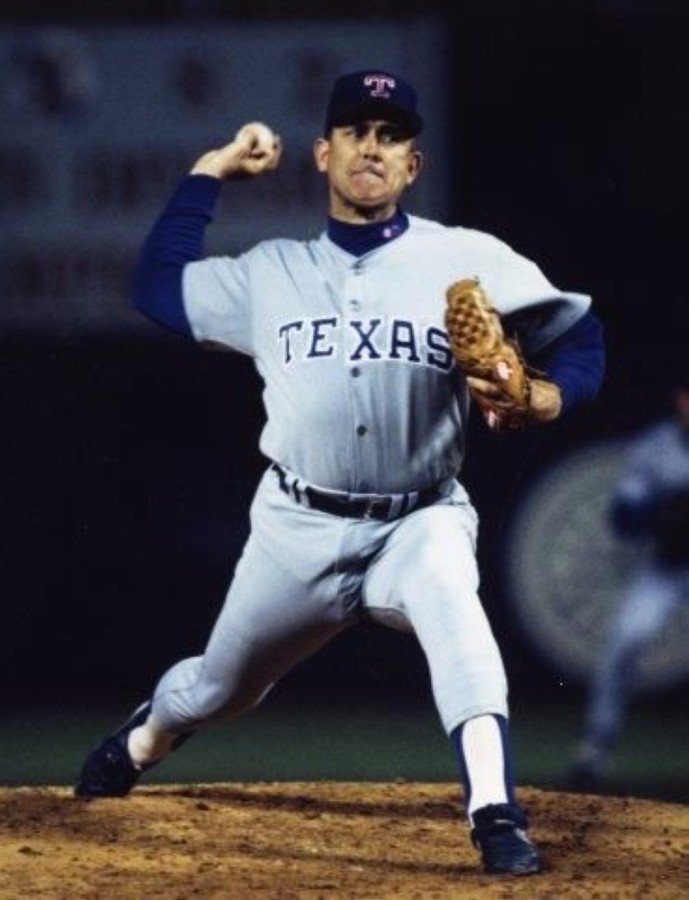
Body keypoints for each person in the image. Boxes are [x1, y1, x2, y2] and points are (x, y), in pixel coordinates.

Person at [74, 69, 605, 876]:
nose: (372, 147)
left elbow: (581, 337)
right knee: (218, 689)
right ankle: (141, 740)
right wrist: (210, 169)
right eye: (356, 131)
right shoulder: (268, 272)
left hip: (418, 518)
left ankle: (496, 815)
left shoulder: (466, 258)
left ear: (411, 166)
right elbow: (155, 286)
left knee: (456, 615)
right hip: (297, 527)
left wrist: (542, 395)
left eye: (391, 135)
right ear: (324, 154)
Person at [567, 379, 689, 790]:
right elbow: (623, 518)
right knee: (624, 640)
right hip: (668, 567)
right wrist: (663, 510)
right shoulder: (655, 448)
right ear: (679, 399)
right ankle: (595, 749)